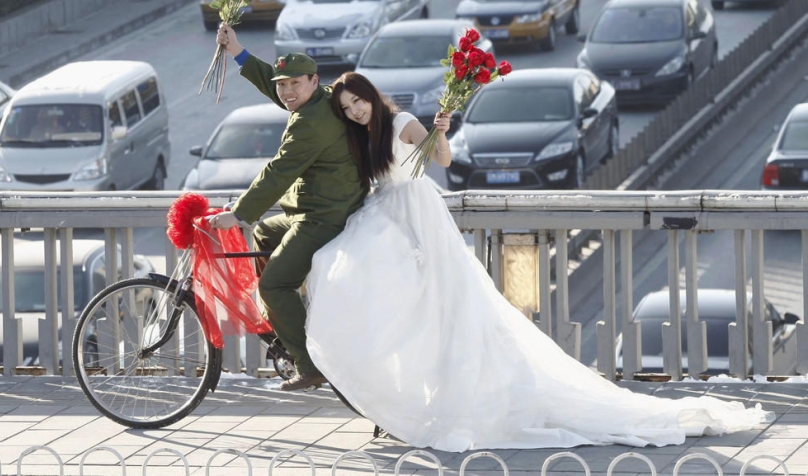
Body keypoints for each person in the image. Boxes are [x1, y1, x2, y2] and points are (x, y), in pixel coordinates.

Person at [303, 72, 774, 453]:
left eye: (356, 101)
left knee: (451, 306)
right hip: (386, 215)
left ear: (369, 95)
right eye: (346, 107)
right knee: (372, 289)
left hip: (417, 215)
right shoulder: (362, 136)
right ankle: (404, 388)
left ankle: (455, 398)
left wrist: (440, 132)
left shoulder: (401, 120)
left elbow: (440, 161)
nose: (353, 110)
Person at [206, 23, 367, 392]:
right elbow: (273, 82)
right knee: (263, 233)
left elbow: (277, 172)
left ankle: (310, 363)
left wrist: (239, 213)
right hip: (323, 208)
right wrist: (238, 51)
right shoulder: (321, 98)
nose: (287, 91)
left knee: (273, 284)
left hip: (325, 217)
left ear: (313, 80)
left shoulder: (310, 124)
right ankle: (287, 317)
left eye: (295, 83)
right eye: (283, 85)